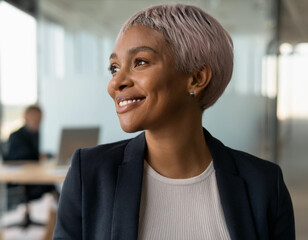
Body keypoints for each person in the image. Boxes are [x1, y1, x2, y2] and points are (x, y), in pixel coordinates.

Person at [53, 4, 295, 240]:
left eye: (140, 62)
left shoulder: (263, 185)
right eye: (114, 68)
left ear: (196, 78)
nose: (115, 83)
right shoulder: (90, 174)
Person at [6, 105, 57, 227]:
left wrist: (42, 156)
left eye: (39, 120)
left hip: (33, 175)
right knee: (51, 186)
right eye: (35, 119)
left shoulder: (34, 134)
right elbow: (22, 157)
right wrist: (37, 157)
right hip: (21, 178)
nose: (37, 122)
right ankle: (55, 224)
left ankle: (56, 222)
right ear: (26, 118)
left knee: (54, 185)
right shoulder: (16, 136)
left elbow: (33, 154)